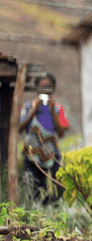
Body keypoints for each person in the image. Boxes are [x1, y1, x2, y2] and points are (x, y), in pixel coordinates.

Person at [18, 74, 69, 205]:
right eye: (42, 87)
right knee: (34, 188)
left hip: (52, 155)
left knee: (58, 186)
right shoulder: (28, 106)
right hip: (32, 156)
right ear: (36, 88)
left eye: (48, 87)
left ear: (54, 89)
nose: (45, 90)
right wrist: (34, 111)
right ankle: (39, 212)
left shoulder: (58, 108)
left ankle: (53, 209)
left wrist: (52, 112)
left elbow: (62, 133)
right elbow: (19, 128)